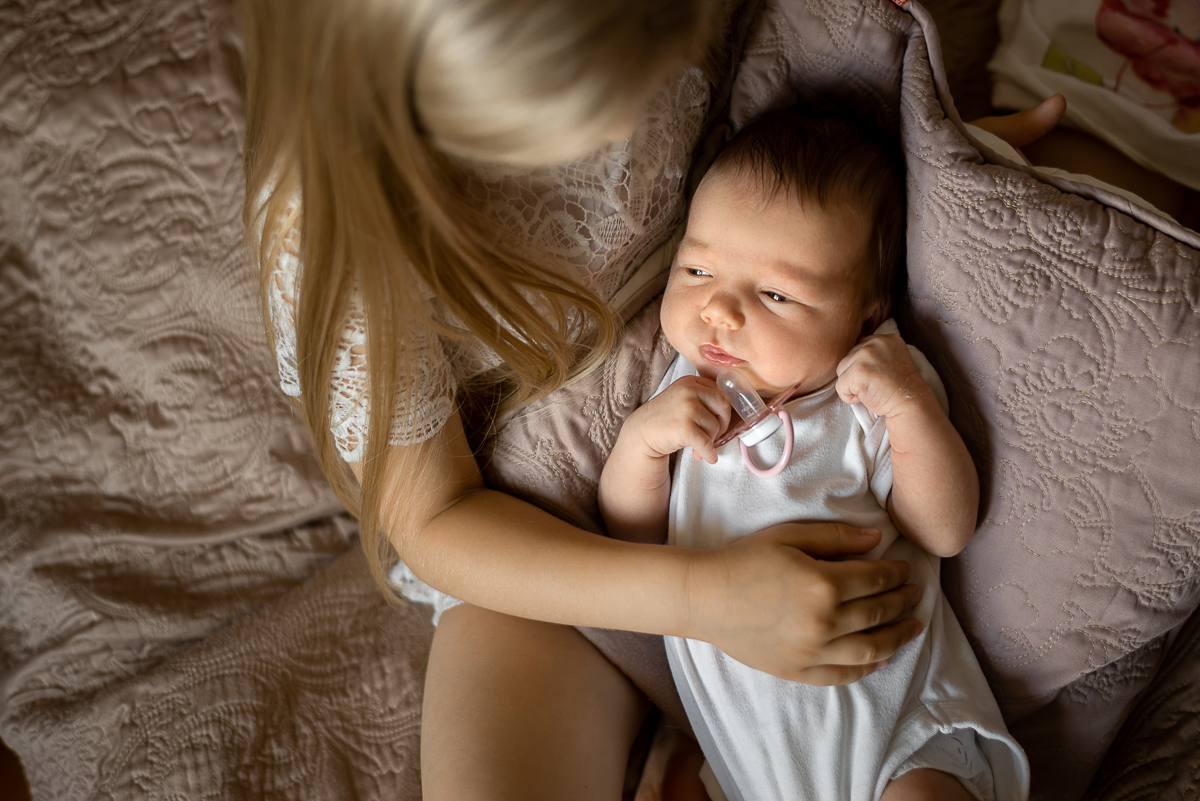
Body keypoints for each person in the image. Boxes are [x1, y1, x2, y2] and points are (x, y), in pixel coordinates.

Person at [237, 1, 1061, 798]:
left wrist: (931, 176)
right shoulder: (334, 225)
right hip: (544, 553)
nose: (614, 132)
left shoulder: (857, 384)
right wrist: (705, 597)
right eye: (564, 112)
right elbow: (434, 520)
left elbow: (940, 516)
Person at [598, 111, 1030, 801]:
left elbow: (945, 528)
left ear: (866, 313)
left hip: (901, 729)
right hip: (753, 762)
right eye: (698, 267)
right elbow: (633, 540)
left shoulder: (873, 389)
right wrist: (641, 445)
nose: (719, 311)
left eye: (776, 293)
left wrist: (909, 406)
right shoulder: (684, 389)